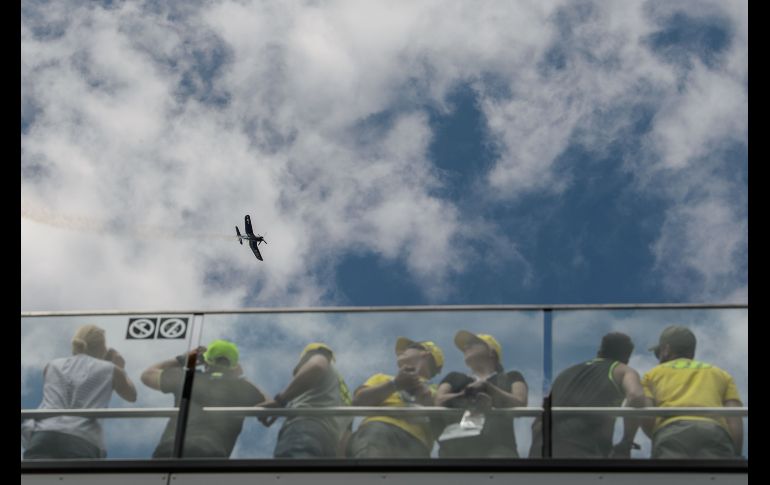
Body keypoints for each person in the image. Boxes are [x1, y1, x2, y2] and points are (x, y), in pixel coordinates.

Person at [22, 324, 137, 459]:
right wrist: (120, 367)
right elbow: (131, 395)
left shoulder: (52, 365)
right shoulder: (110, 369)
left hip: (44, 435)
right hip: (81, 439)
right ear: (102, 347)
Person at [142, 339, 267, 458]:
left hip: (170, 451)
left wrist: (185, 359)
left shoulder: (187, 379)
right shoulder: (241, 387)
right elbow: (268, 403)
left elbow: (147, 375)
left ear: (206, 362)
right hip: (212, 455)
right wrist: (240, 378)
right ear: (233, 366)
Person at [529, 332, 645, 458]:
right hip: (584, 451)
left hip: (543, 451)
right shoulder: (622, 370)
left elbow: (537, 422)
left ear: (599, 351)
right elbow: (636, 397)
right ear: (626, 357)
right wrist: (626, 441)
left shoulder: (566, 373)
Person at [641, 325, 744, 459]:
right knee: (716, 477)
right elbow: (734, 418)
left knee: (670, 478)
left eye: (659, 353)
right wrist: (736, 454)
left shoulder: (651, 374)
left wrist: (657, 433)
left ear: (666, 349)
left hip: (671, 431)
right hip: (714, 431)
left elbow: (646, 415)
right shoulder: (721, 374)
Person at [434, 331, 527, 458]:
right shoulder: (454, 377)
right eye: (466, 346)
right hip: (454, 449)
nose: (466, 347)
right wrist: (465, 394)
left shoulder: (511, 377)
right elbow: (438, 401)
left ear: (491, 352)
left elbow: (520, 403)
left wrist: (488, 388)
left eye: (473, 343)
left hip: (498, 448)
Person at [347, 337, 444, 458]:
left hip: (417, 443)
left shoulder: (439, 390)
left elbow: (442, 426)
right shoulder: (383, 378)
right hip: (380, 429)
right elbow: (358, 402)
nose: (401, 351)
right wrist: (395, 384)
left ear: (425, 353)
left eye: (410, 347)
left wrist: (426, 401)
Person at [258, 342, 353, 458]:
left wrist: (280, 400)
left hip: (305, 427)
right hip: (331, 445)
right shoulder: (344, 395)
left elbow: (316, 367)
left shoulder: (319, 356)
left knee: (292, 474)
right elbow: (345, 439)